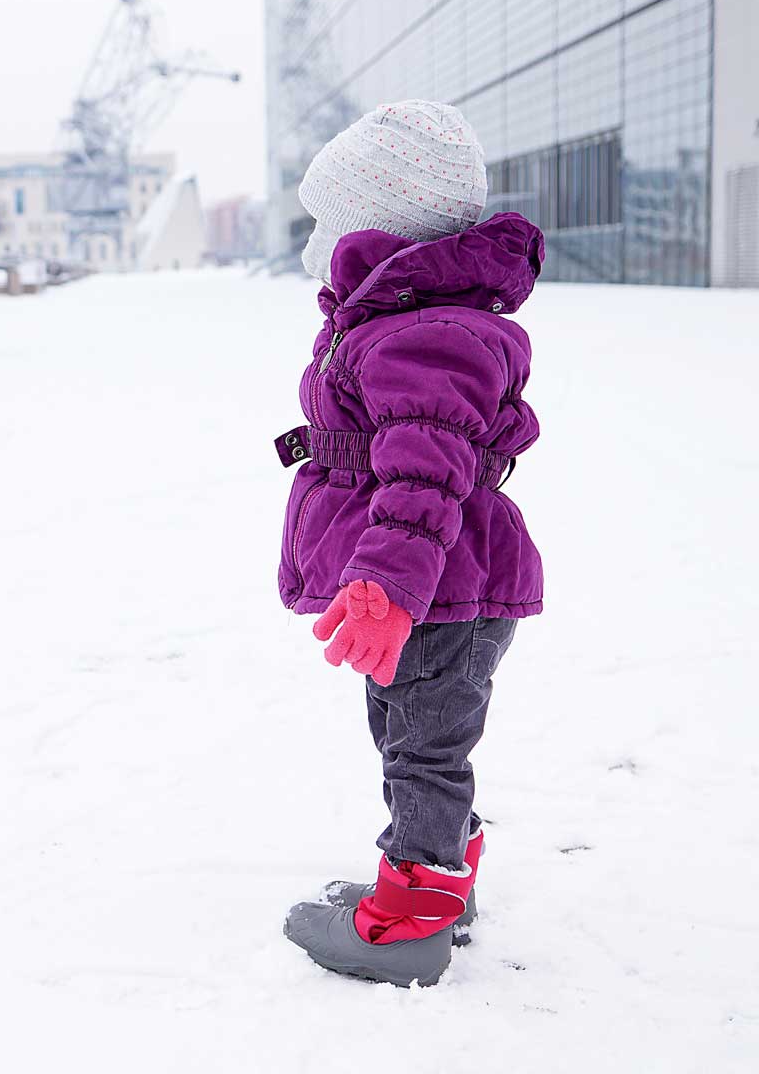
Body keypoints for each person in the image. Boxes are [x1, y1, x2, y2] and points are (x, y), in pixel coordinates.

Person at [276, 100, 544, 987]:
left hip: (434, 591)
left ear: (377, 226)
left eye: (328, 221)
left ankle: (412, 919)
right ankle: (434, 875)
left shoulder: (424, 334)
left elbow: (422, 478)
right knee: (411, 735)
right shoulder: (404, 319)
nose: (315, 240)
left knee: (425, 748)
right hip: (430, 590)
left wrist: (389, 585)